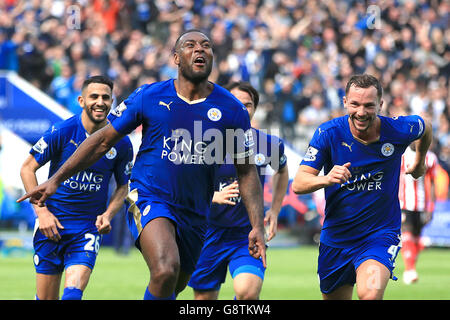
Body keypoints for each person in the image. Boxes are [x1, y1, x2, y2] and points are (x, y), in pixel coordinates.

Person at [18, 29, 267, 300]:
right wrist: (55, 180)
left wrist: (257, 226)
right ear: (176, 58)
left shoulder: (231, 109)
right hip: (150, 196)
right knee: (165, 269)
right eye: (191, 45)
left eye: (206, 46)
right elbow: (103, 141)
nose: (200, 50)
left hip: (196, 210)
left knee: (175, 284)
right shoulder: (148, 96)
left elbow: (246, 171)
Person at [291, 74, 433, 300]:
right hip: (336, 239)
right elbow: (299, 183)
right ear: (345, 102)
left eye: (369, 105)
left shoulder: (398, 129)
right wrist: (326, 179)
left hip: (379, 236)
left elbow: (425, 127)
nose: (361, 112)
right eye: (355, 104)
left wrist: (419, 161)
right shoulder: (327, 133)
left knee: (370, 294)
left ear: (381, 105)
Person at [19, 75, 134, 300]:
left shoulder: (121, 142)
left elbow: (123, 186)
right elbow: (27, 168)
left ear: (112, 102)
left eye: (105, 97)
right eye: (94, 97)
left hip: (86, 229)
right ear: (81, 100)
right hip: (50, 226)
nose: (100, 102)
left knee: (73, 295)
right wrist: (41, 212)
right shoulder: (63, 131)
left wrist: (109, 214)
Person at [188, 81, 289, 300]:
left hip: (247, 233)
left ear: (255, 108)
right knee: (203, 299)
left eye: (248, 104)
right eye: (235, 102)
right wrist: (212, 196)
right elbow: (183, 182)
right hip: (207, 232)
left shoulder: (268, 143)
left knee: (247, 292)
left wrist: (275, 209)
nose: (242, 109)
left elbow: (282, 171)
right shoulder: (201, 141)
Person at [399, 144, 438, 284]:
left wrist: (431, 207)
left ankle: (410, 268)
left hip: (421, 205)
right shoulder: (401, 155)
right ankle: (410, 270)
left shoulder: (431, 157)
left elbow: (433, 182)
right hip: (403, 203)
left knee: (415, 238)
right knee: (407, 235)